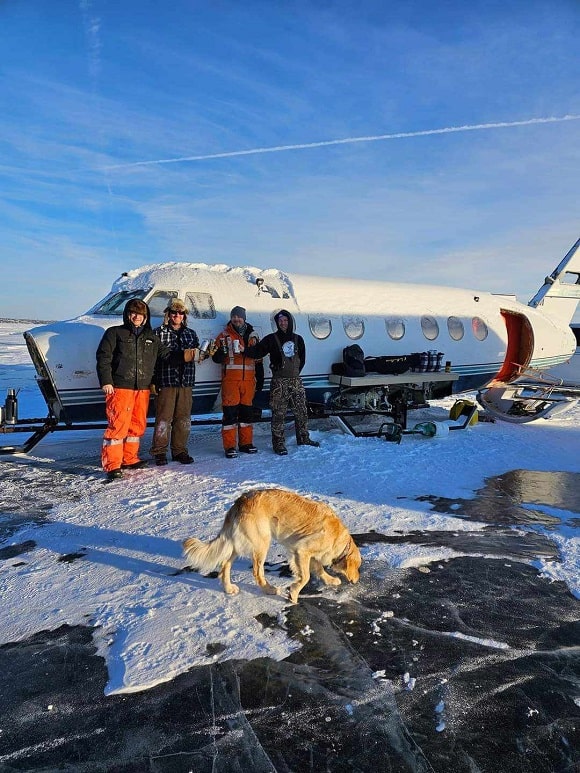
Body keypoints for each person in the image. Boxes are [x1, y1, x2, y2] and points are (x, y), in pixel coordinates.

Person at [96, 298, 196, 481]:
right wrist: (106, 381)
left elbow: (167, 356)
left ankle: (129, 458)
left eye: (141, 314)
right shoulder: (115, 333)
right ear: (127, 315)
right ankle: (112, 464)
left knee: (136, 426)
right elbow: (104, 357)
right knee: (118, 425)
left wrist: (192, 354)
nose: (137, 317)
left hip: (142, 388)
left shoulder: (151, 337)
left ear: (146, 317)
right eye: (133, 313)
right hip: (120, 386)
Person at [244, 309, 319, 455]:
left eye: (285, 320)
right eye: (280, 321)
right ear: (277, 323)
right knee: (279, 414)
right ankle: (278, 444)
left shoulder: (299, 339)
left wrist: (294, 373)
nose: (283, 323)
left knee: (302, 412)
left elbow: (302, 360)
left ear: (290, 322)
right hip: (279, 382)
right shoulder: (271, 339)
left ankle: (304, 438)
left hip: (296, 381)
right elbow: (258, 351)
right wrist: (243, 350)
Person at [150, 299, 200, 466]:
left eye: (180, 313)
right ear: (168, 314)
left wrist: (206, 353)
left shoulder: (191, 334)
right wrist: (153, 381)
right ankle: (159, 451)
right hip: (166, 382)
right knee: (163, 419)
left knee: (183, 419)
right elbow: (153, 359)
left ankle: (179, 451)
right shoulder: (158, 333)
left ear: (184, 316)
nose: (177, 316)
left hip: (186, 382)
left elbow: (197, 356)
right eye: (173, 313)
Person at [212, 306, 262, 458]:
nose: (236, 319)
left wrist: (260, 380)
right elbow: (215, 358)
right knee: (230, 416)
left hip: (248, 382)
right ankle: (229, 446)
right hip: (231, 382)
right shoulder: (223, 336)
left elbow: (258, 359)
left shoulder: (253, 336)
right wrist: (221, 353)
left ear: (244, 318)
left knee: (247, 415)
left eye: (239, 317)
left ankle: (246, 444)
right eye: (234, 317)